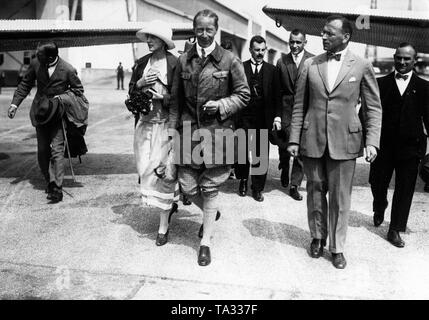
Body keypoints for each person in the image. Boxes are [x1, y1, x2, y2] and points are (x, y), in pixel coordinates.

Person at [287, 15, 382, 269]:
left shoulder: (361, 65)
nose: (323, 37)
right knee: (315, 191)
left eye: (329, 33)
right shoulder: (310, 64)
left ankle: (337, 247)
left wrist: (372, 141)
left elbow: (373, 108)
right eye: (323, 33)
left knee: (341, 197)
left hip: (346, 141)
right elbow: (299, 105)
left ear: (346, 37)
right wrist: (294, 139)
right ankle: (317, 237)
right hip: (313, 138)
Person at [168, 9, 250, 266]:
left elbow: (244, 94)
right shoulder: (184, 60)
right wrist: (172, 134)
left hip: (218, 133)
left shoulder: (229, 60)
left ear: (216, 31)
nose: (204, 35)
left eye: (209, 30)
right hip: (189, 132)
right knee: (188, 185)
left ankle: (205, 243)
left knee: (211, 186)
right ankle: (210, 214)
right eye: (199, 30)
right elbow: (175, 101)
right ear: (194, 30)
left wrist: (223, 104)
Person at [368, 43, 429, 248]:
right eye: (399, 58)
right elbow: (368, 114)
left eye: (407, 59)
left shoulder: (424, 87)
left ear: (414, 61)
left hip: (411, 148)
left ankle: (395, 228)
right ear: (394, 58)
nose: (402, 62)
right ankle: (379, 205)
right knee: (377, 183)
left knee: (405, 189)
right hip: (382, 146)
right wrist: (368, 141)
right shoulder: (380, 84)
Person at [7, 41, 84, 203]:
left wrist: (62, 98)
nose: (36, 56)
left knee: (57, 150)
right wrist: (15, 104)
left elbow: (78, 90)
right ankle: (49, 180)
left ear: (50, 57)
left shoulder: (68, 69)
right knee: (43, 150)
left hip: (58, 114)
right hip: (40, 113)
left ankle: (57, 187)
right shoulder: (36, 64)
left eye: (39, 54)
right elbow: (25, 84)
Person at [127, 20, 181, 246]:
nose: (148, 41)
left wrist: (163, 98)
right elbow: (131, 92)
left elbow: (182, 98)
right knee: (144, 169)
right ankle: (171, 203)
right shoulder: (142, 63)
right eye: (147, 37)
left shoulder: (174, 64)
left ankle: (163, 227)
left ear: (163, 42)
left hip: (165, 125)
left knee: (161, 173)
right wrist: (139, 83)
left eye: (153, 37)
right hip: (144, 125)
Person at [235, 35, 281, 202]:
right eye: (257, 50)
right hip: (244, 116)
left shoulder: (272, 70)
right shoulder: (240, 67)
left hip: (263, 117)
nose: (260, 53)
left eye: (263, 50)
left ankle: (257, 188)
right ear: (250, 50)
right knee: (241, 150)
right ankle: (243, 180)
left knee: (260, 153)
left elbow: (277, 96)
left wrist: (277, 117)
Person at [276, 29, 314, 201]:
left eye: (298, 42)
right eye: (292, 42)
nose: (295, 45)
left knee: (301, 150)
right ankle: (284, 166)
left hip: (305, 111)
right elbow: (276, 91)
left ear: (305, 42)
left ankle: (294, 185)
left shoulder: (313, 60)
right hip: (286, 111)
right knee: (285, 145)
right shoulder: (281, 61)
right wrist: (277, 115)